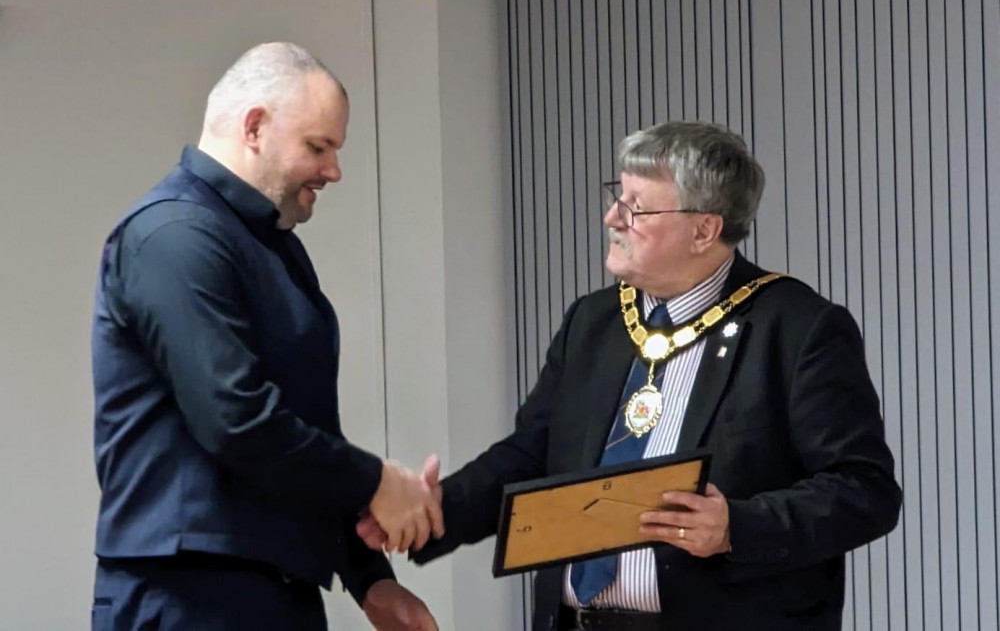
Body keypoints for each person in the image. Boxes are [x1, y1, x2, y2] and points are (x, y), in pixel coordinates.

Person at [367, 121, 902, 629]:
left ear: (704, 229)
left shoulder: (796, 328)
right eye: (616, 196)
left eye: (636, 207)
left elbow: (865, 491)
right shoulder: (594, 321)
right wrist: (432, 511)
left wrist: (738, 527)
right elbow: (533, 453)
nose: (612, 218)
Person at [91, 42, 441, 630]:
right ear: (254, 127)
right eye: (318, 146)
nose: (334, 170)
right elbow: (237, 419)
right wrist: (378, 482)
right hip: (188, 598)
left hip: (277, 593)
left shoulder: (271, 247)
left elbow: (300, 430)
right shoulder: (173, 236)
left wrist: (369, 577)